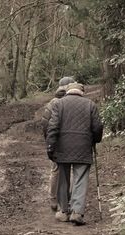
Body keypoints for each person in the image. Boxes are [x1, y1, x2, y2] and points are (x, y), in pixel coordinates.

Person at [46, 82, 103, 225]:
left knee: (63, 180)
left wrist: (50, 147)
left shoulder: (59, 104)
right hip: (83, 147)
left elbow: (52, 127)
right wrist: (95, 139)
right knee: (80, 179)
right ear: (82, 92)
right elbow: (97, 127)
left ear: (68, 91)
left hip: (63, 148)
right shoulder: (90, 104)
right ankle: (77, 212)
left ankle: (63, 211)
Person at [41, 76, 76, 211]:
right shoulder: (74, 102)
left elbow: (45, 123)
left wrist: (50, 141)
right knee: (70, 170)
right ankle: (67, 198)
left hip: (55, 141)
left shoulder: (52, 103)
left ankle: (53, 198)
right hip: (70, 142)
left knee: (55, 170)